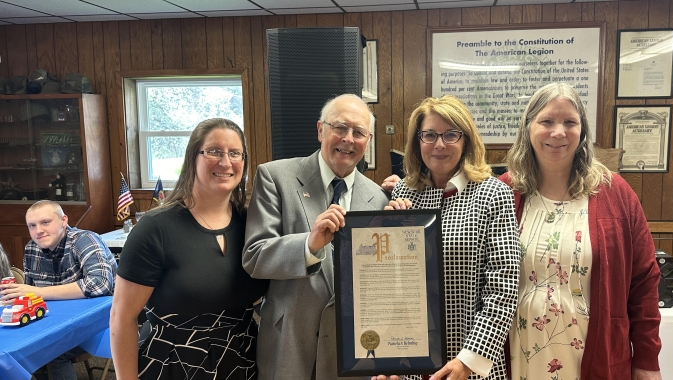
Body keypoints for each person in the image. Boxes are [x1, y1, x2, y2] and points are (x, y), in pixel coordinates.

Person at [499, 82, 661, 380]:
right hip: (519, 355)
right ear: (528, 127)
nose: (558, 132)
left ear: (583, 130)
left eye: (570, 122)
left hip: (594, 355)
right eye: (546, 121)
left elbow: (644, 280)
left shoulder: (616, 193)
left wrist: (647, 359)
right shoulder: (505, 191)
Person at [243, 94, 389, 380]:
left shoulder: (379, 199)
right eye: (340, 127)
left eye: (358, 132)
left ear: (368, 141)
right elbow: (254, 256)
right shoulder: (275, 177)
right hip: (289, 344)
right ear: (321, 129)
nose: (348, 139)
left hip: (352, 354)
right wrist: (307, 246)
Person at [110, 118, 269, 380]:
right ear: (192, 158)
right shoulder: (155, 228)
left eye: (234, 153)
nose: (225, 162)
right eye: (214, 151)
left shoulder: (253, 224)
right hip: (173, 364)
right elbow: (122, 317)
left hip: (242, 361)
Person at [379, 95, 521, 380]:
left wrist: (468, 360)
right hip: (410, 362)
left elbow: (503, 288)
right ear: (417, 142)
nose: (439, 144)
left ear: (465, 140)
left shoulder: (493, 194)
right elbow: (390, 287)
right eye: (429, 135)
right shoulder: (403, 194)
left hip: (470, 365)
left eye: (450, 134)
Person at [0, 200, 117, 380]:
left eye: (45, 222)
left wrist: (38, 292)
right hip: (52, 322)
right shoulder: (32, 248)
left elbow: (99, 284)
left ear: (64, 220)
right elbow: (31, 295)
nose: (38, 230)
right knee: (22, 351)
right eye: (32, 225)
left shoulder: (85, 239)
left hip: (100, 323)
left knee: (53, 353)